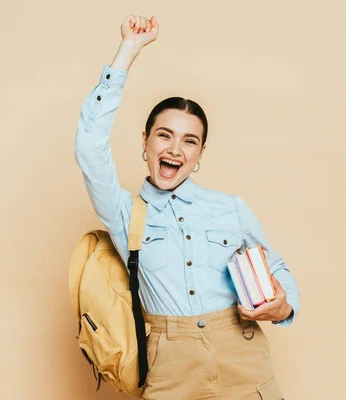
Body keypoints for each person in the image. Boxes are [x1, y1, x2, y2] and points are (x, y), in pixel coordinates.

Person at [74, 13, 300, 400]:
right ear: (145, 142)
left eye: (189, 141)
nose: (175, 149)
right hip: (169, 364)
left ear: (199, 154)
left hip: (242, 355)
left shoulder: (229, 207)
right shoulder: (125, 213)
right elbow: (89, 147)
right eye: (164, 136)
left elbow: (275, 268)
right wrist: (127, 52)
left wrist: (282, 306)